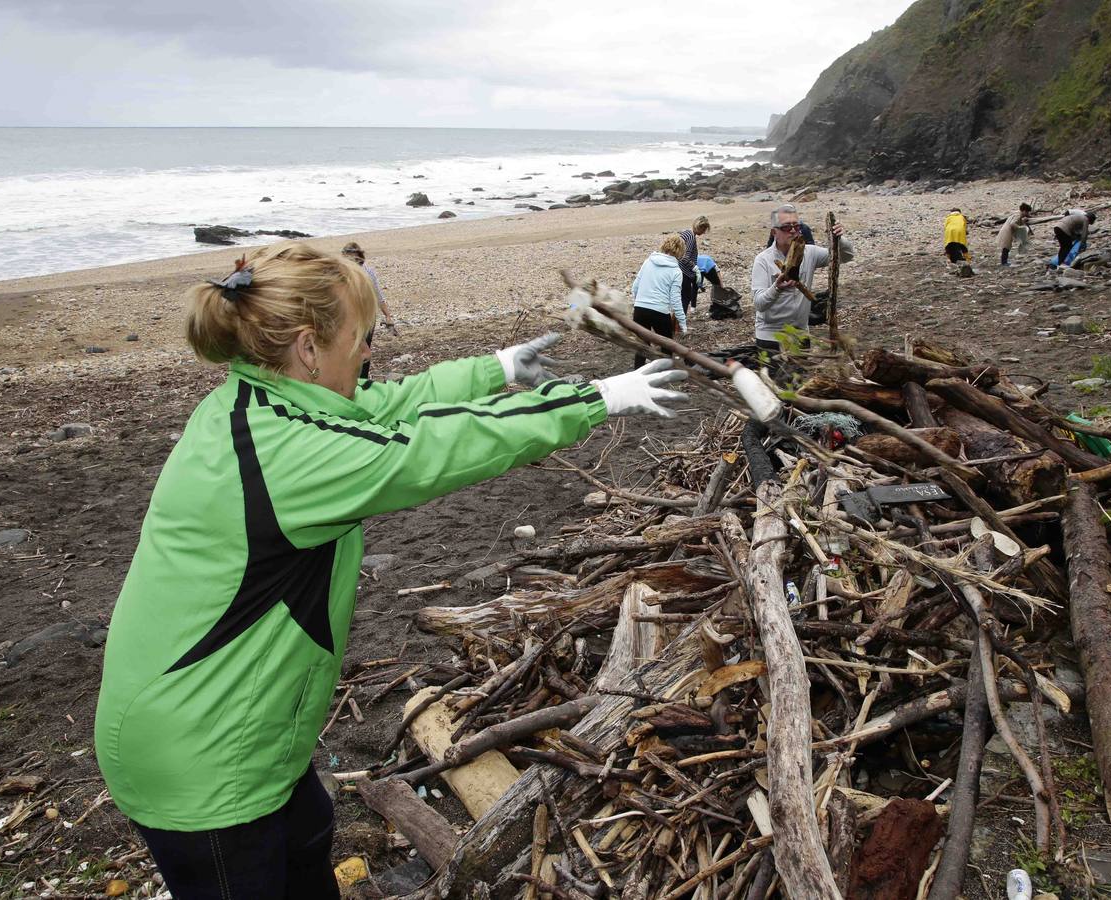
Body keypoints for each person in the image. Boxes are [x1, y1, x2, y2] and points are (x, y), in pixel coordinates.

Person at [93, 242, 688, 900]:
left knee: (311, 831)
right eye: (362, 338)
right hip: (201, 755)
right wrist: (595, 397)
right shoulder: (285, 453)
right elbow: (425, 448)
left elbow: (387, 403)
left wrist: (497, 367)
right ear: (309, 347)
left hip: (241, 732)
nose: (371, 352)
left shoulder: (260, 401)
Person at [751, 204, 853, 352]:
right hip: (771, 336)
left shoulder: (809, 253)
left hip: (800, 333)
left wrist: (839, 238)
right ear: (774, 232)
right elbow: (759, 304)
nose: (793, 231)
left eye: (796, 226)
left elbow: (845, 256)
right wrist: (776, 288)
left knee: (802, 374)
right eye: (786, 227)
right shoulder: (763, 260)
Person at [631, 234, 689, 368]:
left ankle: (637, 374)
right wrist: (682, 322)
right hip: (659, 312)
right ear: (680, 251)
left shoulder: (648, 261)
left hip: (640, 309)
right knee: (667, 345)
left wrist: (640, 302)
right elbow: (675, 300)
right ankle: (666, 371)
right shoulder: (676, 271)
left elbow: (635, 287)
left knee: (642, 346)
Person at [341, 242, 397, 379]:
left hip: (367, 318)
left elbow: (378, 296)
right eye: (347, 257)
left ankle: (362, 381)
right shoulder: (340, 272)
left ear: (359, 257)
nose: (351, 261)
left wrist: (388, 315)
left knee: (364, 350)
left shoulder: (368, 272)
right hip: (348, 317)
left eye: (353, 257)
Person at [676, 215, 710, 313]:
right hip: (684, 271)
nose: (704, 232)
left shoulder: (686, 232)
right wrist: (694, 267)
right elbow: (684, 257)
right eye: (704, 229)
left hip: (678, 269)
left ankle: (678, 320)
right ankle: (680, 321)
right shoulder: (691, 237)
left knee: (680, 297)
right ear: (700, 227)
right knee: (685, 297)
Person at [997, 202, 1032, 267]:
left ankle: (1004, 261)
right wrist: (1020, 228)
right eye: (1027, 212)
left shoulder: (1017, 214)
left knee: (1007, 247)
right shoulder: (1017, 215)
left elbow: (1018, 222)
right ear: (1024, 211)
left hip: (1006, 231)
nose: (1027, 214)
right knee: (1006, 247)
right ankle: (1004, 262)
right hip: (1007, 232)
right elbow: (1012, 223)